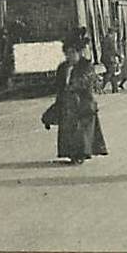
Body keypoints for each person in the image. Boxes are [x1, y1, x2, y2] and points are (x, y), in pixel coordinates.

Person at [51, 29, 108, 164]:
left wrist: (71, 87)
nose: (69, 56)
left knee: (81, 131)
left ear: (79, 53)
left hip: (83, 103)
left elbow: (86, 80)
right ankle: (71, 154)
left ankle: (80, 155)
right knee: (68, 130)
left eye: (72, 53)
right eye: (67, 53)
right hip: (67, 104)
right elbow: (59, 85)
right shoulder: (63, 67)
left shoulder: (86, 66)